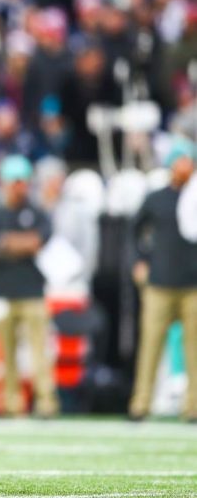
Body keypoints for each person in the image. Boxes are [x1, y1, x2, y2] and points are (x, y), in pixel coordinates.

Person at [0, 155, 59, 418]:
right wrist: (22, 243)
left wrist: (9, 243)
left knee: (40, 352)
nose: (18, 187)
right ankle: (10, 403)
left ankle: (45, 402)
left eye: (22, 182)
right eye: (13, 182)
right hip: (3, 293)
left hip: (32, 292)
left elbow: (41, 240)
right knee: (5, 355)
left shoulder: (37, 213)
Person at [129, 141, 197, 422]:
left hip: (193, 285)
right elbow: (134, 231)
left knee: (194, 349)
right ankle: (140, 404)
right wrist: (140, 260)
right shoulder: (156, 198)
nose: (185, 166)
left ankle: (192, 407)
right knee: (150, 347)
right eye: (181, 161)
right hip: (159, 283)